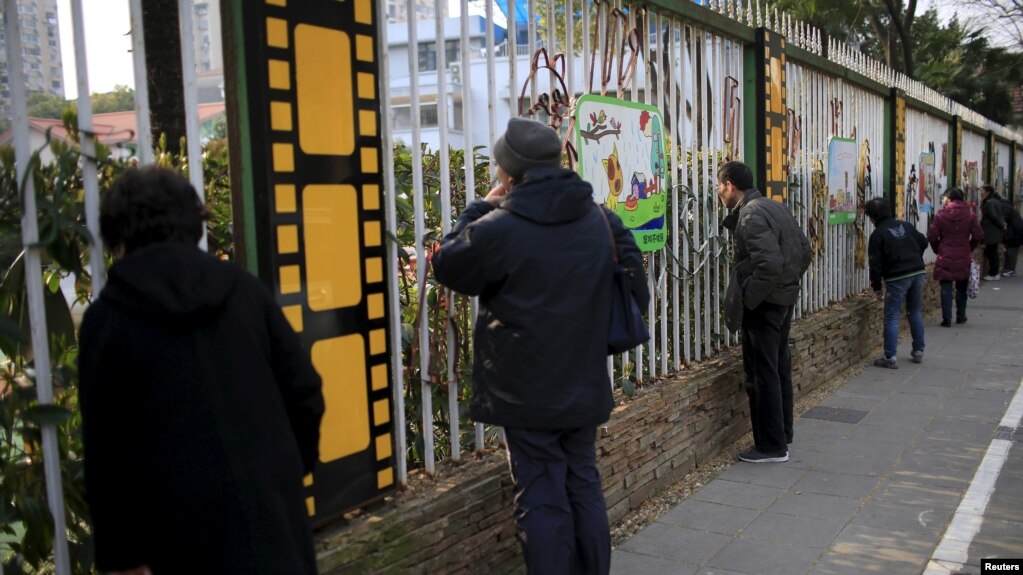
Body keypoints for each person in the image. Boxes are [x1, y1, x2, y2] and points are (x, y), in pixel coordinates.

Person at [78, 167, 325, 575]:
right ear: (194, 224)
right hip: (271, 534)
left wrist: (121, 557)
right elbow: (305, 392)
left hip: (175, 546)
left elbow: (107, 454)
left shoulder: (108, 322)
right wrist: (282, 477)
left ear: (116, 237)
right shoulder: (246, 292)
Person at [432, 117, 648, 575]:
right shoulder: (599, 218)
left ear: (509, 172)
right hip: (584, 379)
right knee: (582, 484)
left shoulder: (501, 225)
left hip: (524, 390)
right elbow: (635, 284)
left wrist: (478, 208)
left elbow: (449, 263)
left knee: (541, 498)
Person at [719, 161, 811, 464]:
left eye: (720, 187)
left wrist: (751, 298)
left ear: (730, 185)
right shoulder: (774, 206)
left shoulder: (750, 215)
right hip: (782, 299)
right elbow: (804, 250)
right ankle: (782, 434)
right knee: (778, 367)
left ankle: (771, 446)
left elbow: (769, 264)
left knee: (762, 373)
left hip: (766, 305)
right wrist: (786, 285)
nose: (719, 193)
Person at [865, 197, 928, 369]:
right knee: (915, 311)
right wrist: (913, 256)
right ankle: (918, 351)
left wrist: (876, 287)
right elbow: (923, 242)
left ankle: (890, 356)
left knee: (892, 316)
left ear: (872, 217)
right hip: (918, 272)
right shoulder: (906, 226)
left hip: (897, 277)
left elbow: (875, 264)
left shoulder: (877, 235)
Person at [928, 188, 983, 327]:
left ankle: (946, 318)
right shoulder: (970, 216)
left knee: (945, 287)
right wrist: (969, 247)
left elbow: (932, 236)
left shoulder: (940, 215)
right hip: (963, 254)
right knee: (961, 287)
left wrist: (937, 249)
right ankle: (961, 315)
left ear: (949, 198)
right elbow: (978, 235)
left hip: (945, 253)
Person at [980, 185, 1007, 280]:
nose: (980, 192)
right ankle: (995, 272)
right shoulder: (995, 201)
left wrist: (1002, 225)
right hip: (995, 231)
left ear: (987, 192)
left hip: (991, 231)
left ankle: (993, 273)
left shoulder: (989, 202)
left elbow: (993, 216)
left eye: (982, 190)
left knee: (991, 252)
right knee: (992, 251)